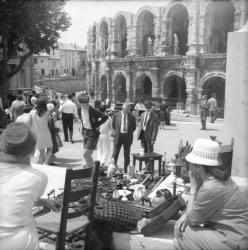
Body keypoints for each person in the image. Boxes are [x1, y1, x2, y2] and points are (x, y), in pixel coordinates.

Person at [174, 138, 248, 250]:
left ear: (198, 166)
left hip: (234, 241)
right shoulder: (221, 179)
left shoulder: (210, 187)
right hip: (238, 235)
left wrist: (193, 189)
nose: (189, 168)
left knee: (182, 231)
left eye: (191, 164)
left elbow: (192, 220)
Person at [0, 122, 62, 250]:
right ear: (33, 150)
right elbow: (20, 197)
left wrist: (44, 202)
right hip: (17, 241)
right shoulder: (38, 177)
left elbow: (11, 198)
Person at [77, 94, 108, 169]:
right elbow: (82, 120)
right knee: (89, 154)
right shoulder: (78, 110)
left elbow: (105, 117)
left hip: (93, 133)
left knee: (86, 154)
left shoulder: (93, 110)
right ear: (80, 103)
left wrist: (97, 124)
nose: (85, 106)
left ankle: (93, 171)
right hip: (85, 132)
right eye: (83, 105)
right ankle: (89, 169)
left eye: (87, 104)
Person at [112, 103, 136, 173]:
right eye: (127, 109)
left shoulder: (132, 117)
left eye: (129, 109)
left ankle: (126, 170)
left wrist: (127, 132)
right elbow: (113, 126)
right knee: (115, 154)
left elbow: (133, 128)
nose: (129, 111)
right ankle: (112, 169)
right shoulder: (116, 115)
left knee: (127, 155)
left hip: (127, 137)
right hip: (118, 136)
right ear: (123, 109)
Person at [30, 97, 53, 165]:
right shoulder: (46, 113)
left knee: (41, 151)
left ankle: (41, 165)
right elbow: (49, 122)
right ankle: (45, 163)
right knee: (49, 149)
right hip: (46, 133)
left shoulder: (32, 113)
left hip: (37, 135)